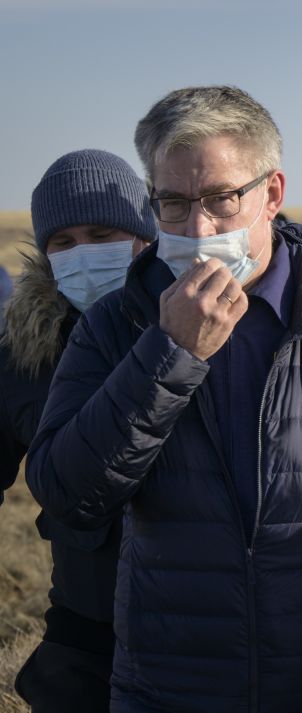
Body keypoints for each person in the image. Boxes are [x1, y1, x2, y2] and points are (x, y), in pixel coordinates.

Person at [26, 86, 302, 712]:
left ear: (271, 194)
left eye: (220, 199)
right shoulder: (115, 326)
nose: (198, 228)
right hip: (169, 687)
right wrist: (170, 354)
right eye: (172, 203)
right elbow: (69, 493)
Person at [0, 150, 155, 713]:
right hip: (84, 624)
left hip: (203, 628)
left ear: (145, 234)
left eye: (101, 232)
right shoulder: (23, 354)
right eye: (62, 242)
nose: (84, 253)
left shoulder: (200, 327)